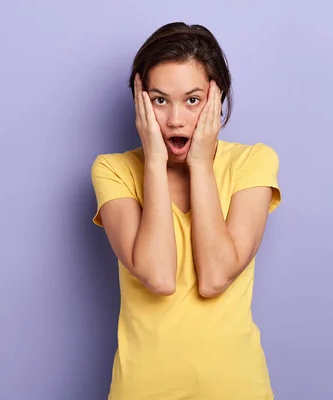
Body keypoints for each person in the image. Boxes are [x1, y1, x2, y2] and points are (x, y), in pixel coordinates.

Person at [91, 21, 281, 400]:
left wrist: (200, 165)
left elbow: (215, 278)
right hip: (141, 390)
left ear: (216, 99)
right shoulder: (112, 170)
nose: (175, 119)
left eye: (192, 100)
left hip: (236, 388)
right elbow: (159, 277)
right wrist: (156, 162)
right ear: (139, 100)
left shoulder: (253, 163)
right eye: (160, 100)